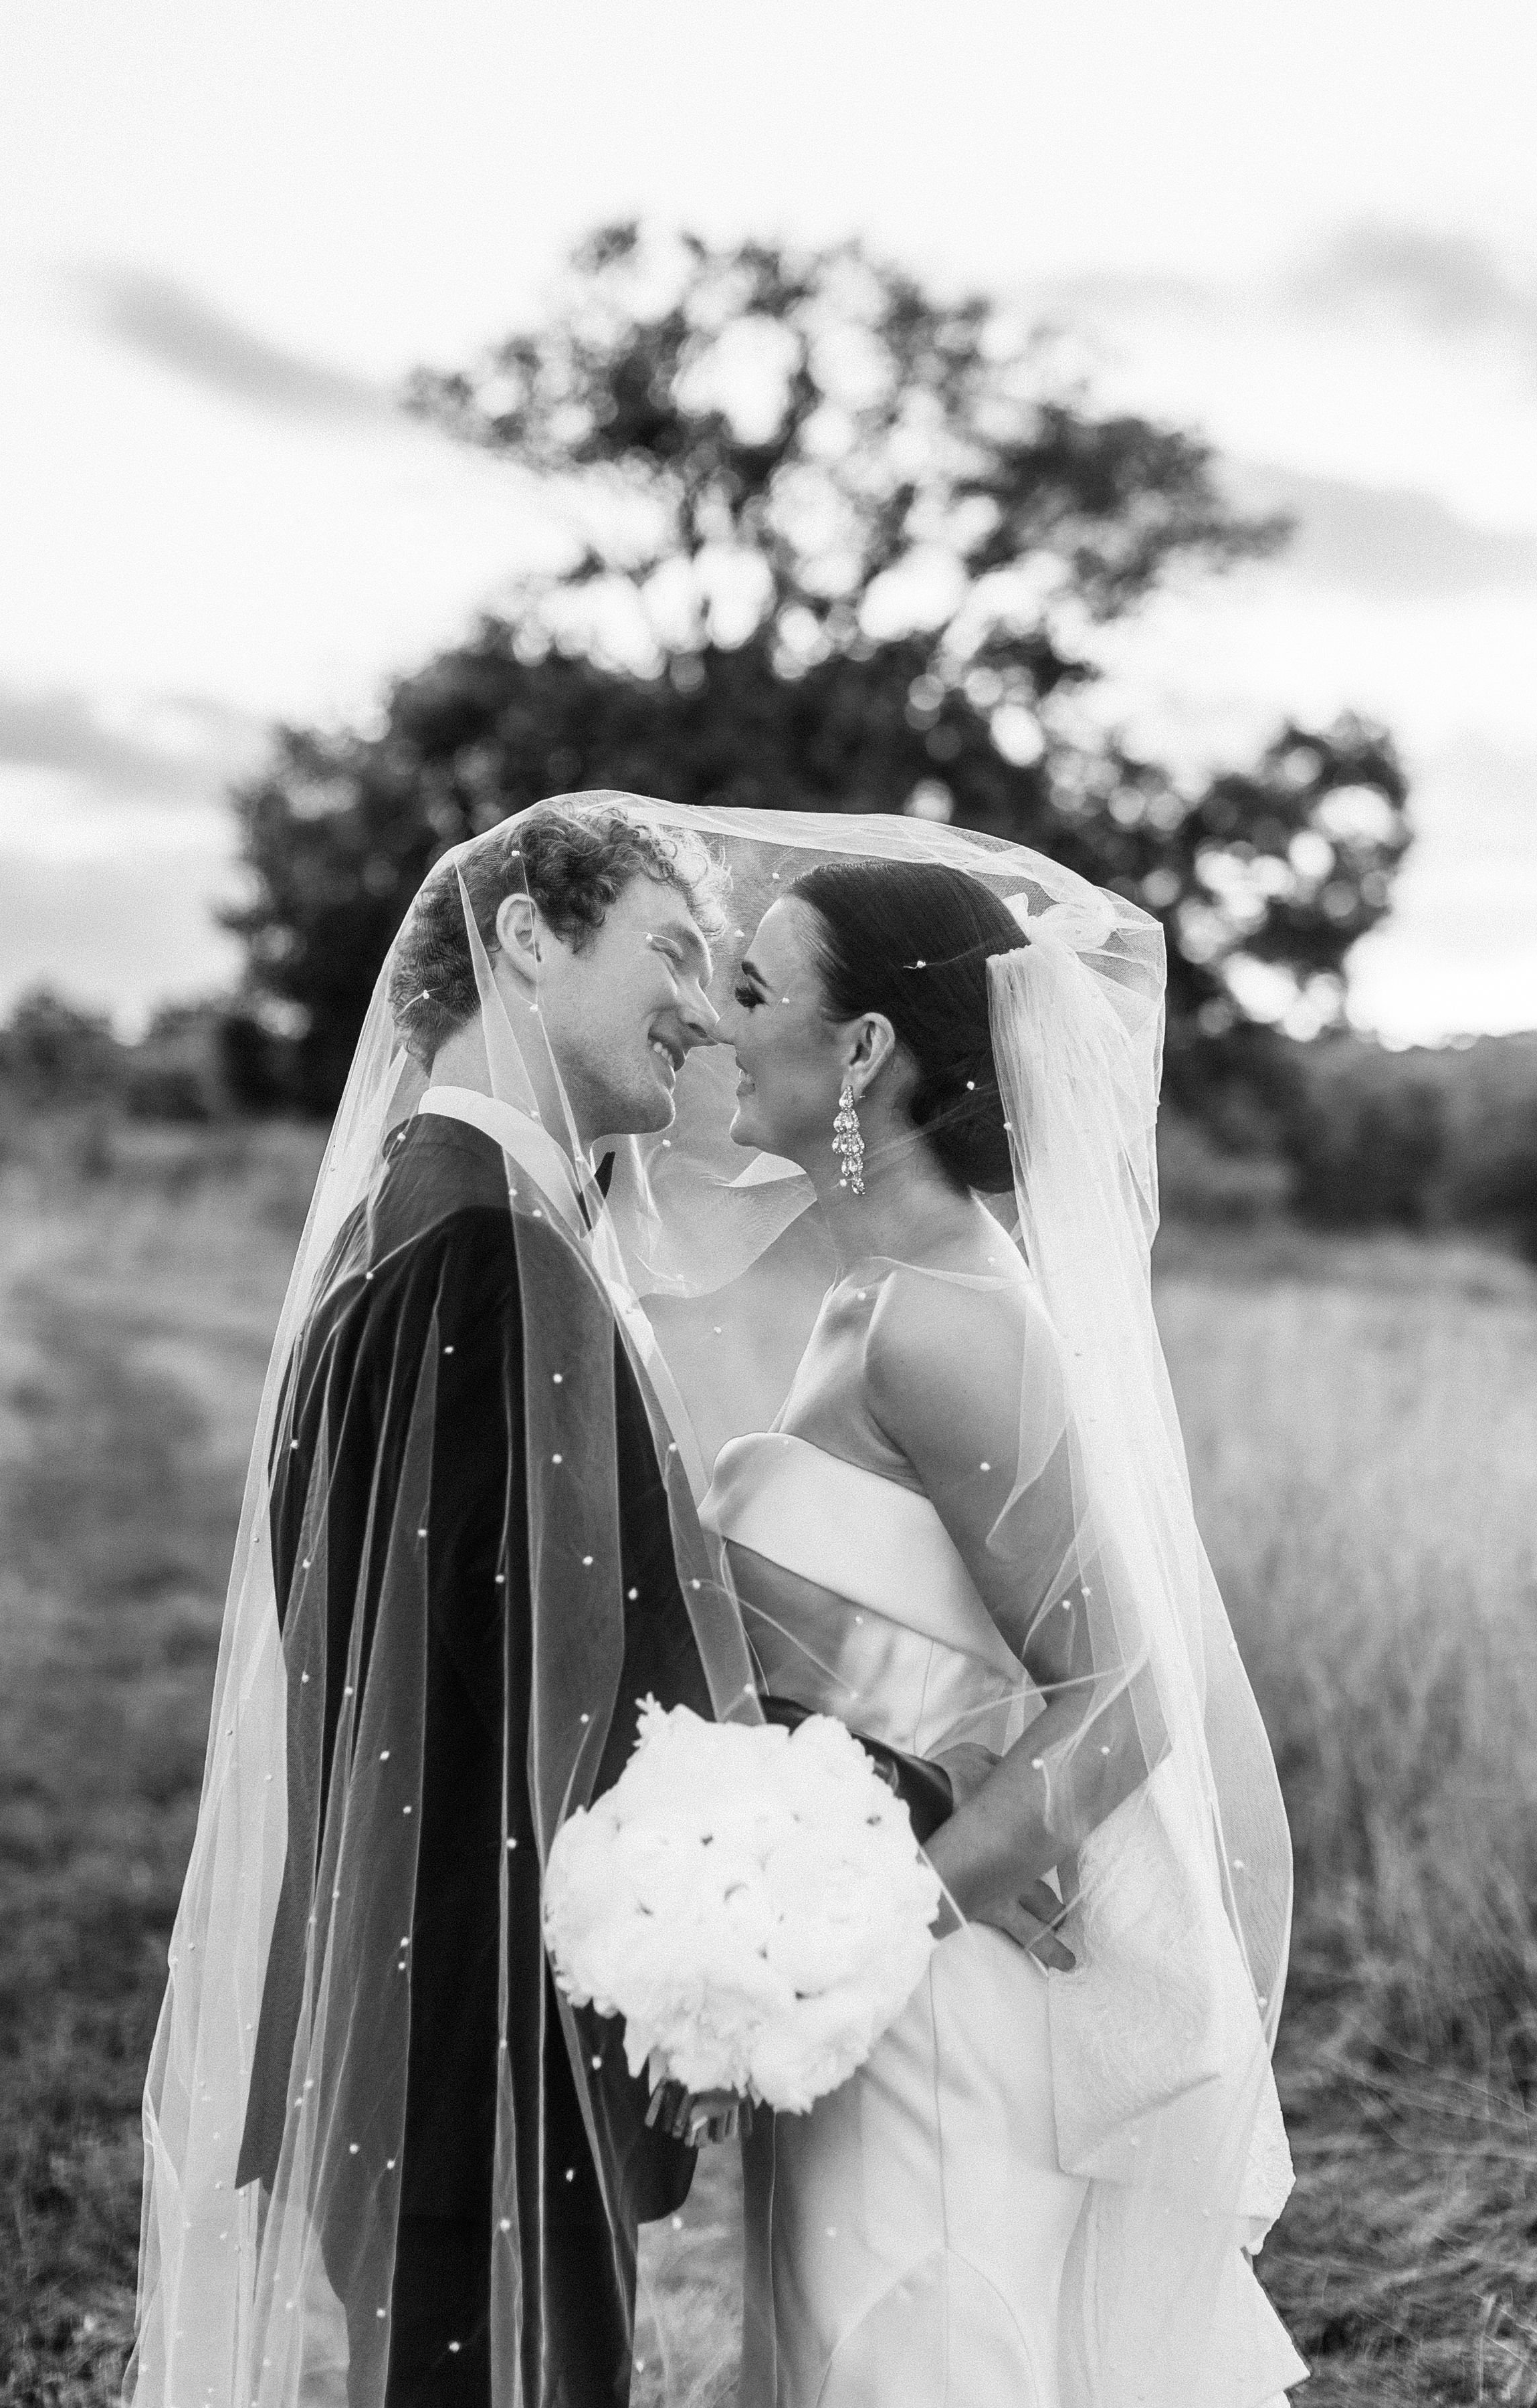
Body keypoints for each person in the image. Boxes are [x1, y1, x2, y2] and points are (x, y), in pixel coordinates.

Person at [129, 801, 760, 2408]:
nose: (704, 1004)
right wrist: (771, 1870)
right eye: (670, 954)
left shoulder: (436, 1208)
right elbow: (518, 1681)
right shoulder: (486, 1243)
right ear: (530, 942)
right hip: (479, 2019)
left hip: (445, 1998)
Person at [692, 854, 1306, 2408]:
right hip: (859, 1970)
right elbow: (931, 1667)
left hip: (931, 2006)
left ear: (863, 1054)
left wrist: (882, 1923)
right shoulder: (868, 1299)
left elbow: (1122, 1699)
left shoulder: (948, 1318)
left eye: (754, 988)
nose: (714, 1020)